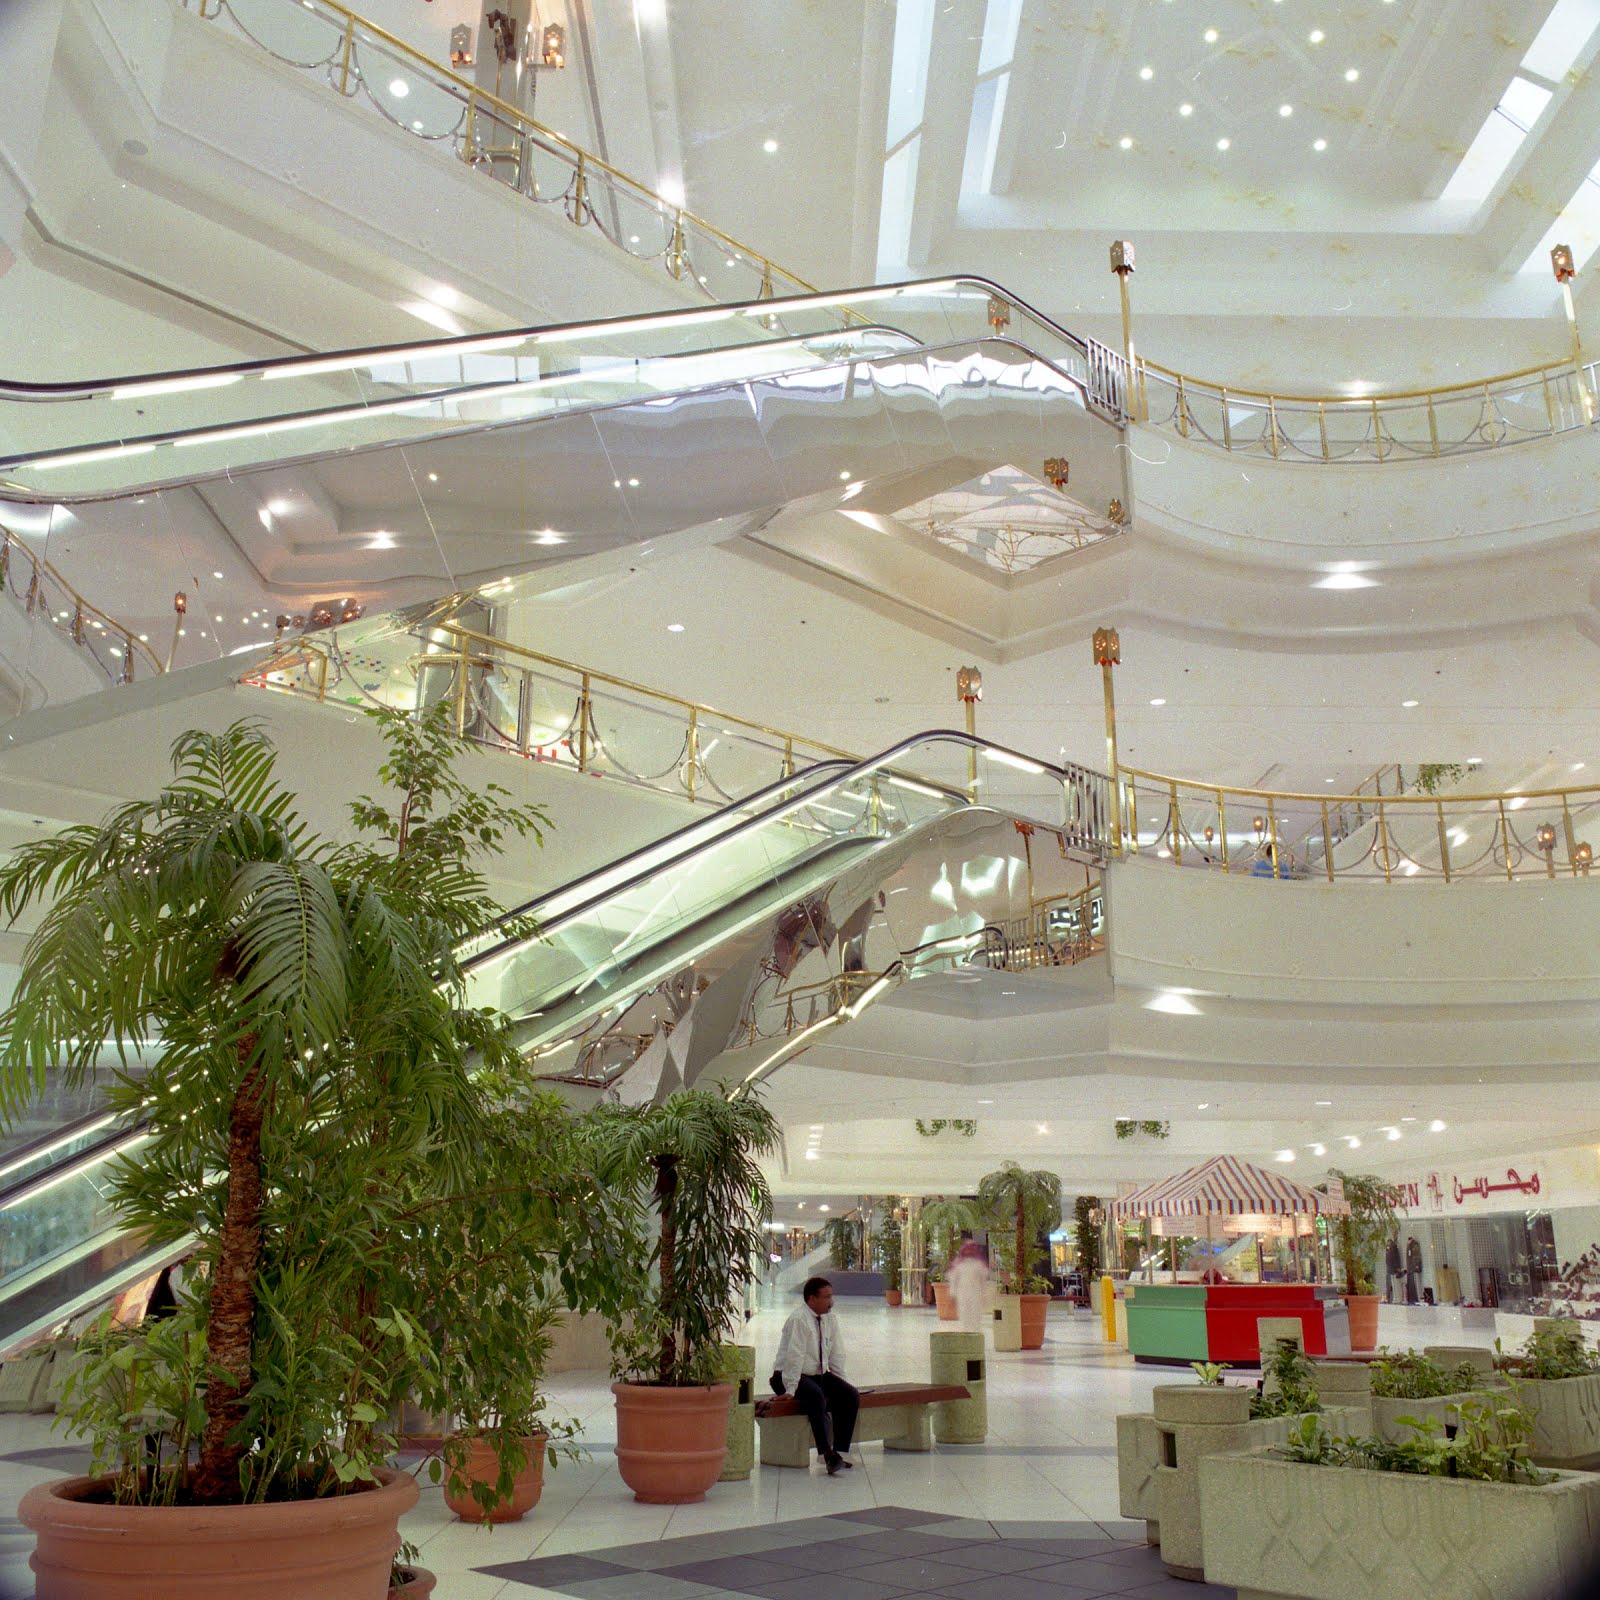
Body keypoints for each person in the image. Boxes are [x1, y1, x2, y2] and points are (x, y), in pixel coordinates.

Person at [772, 1276, 858, 1475]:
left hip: (817, 1376)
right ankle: (826, 1453)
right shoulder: (799, 1319)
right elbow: (794, 1356)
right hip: (787, 1376)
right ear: (811, 1299)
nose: (831, 1301)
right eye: (826, 1297)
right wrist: (790, 1389)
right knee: (815, 1395)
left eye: (831, 1296)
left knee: (850, 1394)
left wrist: (841, 1383)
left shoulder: (830, 1319)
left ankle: (841, 1451)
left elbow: (836, 1354)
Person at [945, 1241, 991, 1332]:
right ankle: (966, 1333)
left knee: (975, 1315)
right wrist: (952, 1293)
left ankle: (975, 1334)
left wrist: (984, 1294)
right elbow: (953, 1280)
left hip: (976, 1294)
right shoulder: (958, 1265)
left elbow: (983, 1281)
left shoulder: (979, 1264)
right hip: (962, 1294)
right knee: (964, 1315)